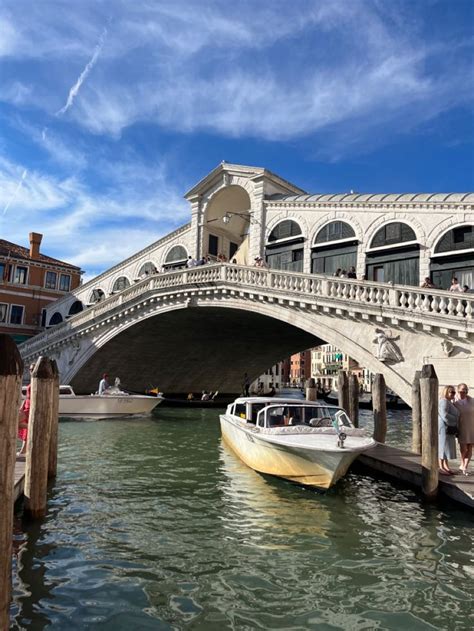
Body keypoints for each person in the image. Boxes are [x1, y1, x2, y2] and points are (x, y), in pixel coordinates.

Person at [438, 385, 460, 475]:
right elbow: (444, 415)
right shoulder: (444, 401)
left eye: (454, 392)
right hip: (444, 427)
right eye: (451, 392)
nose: (453, 394)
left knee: (446, 447)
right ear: (446, 392)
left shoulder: (448, 401)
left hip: (447, 427)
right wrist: (455, 419)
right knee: (442, 446)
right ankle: (441, 467)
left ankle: (446, 466)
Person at [454, 383, 474, 476]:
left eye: (465, 391)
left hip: (472, 426)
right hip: (461, 427)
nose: (463, 393)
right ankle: (462, 463)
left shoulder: (472, 400)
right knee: (463, 448)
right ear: (458, 391)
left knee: (470, 447)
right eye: (461, 391)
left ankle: (465, 466)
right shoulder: (455, 402)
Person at [17, 363, 34, 456]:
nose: (31, 371)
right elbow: (27, 397)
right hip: (26, 406)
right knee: (25, 430)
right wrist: (21, 406)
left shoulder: (36, 381)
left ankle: (31, 428)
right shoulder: (32, 381)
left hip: (31, 408)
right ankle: (23, 451)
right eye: (30, 370)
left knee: (15, 422)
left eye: (32, 369)